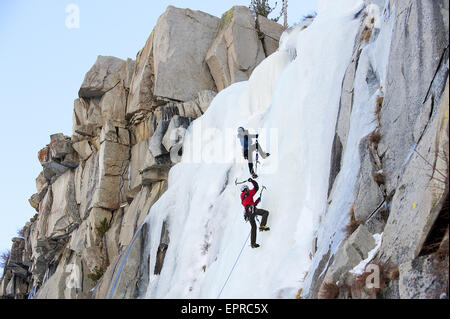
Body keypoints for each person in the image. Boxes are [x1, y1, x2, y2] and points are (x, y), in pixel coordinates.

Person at [240, 178, 270, 248]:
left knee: (253, 227)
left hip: (248, 213)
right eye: (247, 188)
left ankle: (253, 243)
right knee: (265, 213)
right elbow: (256, 187)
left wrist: (256, 201)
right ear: (246, 189)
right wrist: (252, 181)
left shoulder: (243, 198)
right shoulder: (248, 193)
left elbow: (249, 203)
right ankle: (262, 225)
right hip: (252, 210)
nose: (248, 189)